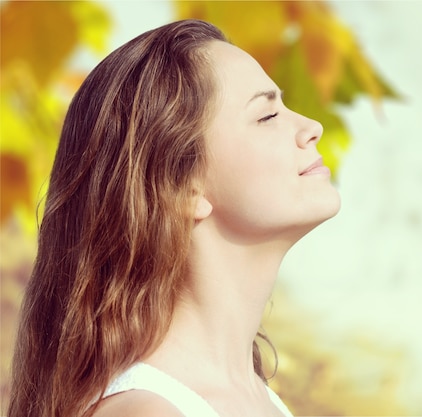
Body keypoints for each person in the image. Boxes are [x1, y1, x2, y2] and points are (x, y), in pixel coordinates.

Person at [8, 19, 340, 417]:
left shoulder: (256, 398)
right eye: (267, 116)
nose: (312, 127)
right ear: (183, 186)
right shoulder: (149, 411)